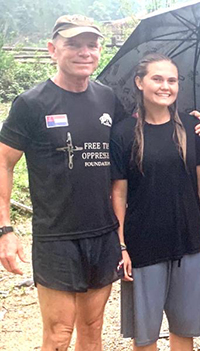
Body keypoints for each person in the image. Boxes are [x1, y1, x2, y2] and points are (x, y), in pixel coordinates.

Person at [0, 15, 127, 350]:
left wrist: (194, 127)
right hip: (56, 237)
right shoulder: (31, 103)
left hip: (102, 233)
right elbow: (3, 162)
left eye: (91, 44)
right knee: (58, 334)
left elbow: (138, 140)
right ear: (52, 49)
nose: (84, 52)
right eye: (73, 44)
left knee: (93, 327)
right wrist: (5, 230)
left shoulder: (108, 99)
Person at [110, 53, 200, 350]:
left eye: (171, 80)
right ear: (139, 82)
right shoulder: (123, 134)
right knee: (145, 334)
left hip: (187, 239)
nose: (165, 86)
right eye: (157, 79)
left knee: (185, 328)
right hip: (142, 243)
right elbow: (118, 193)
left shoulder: (191, 128)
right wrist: (120, 245)